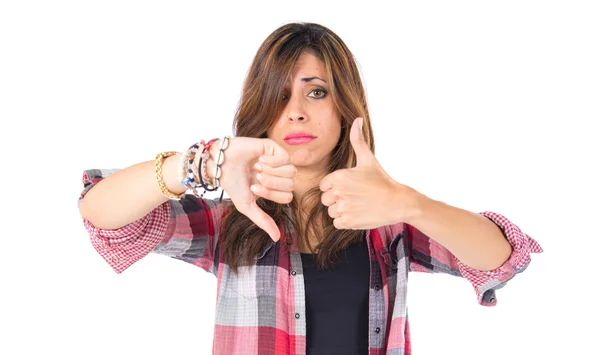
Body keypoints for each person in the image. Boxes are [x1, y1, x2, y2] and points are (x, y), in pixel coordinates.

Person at [78, 22, 543, 355]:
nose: (297, 111)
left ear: (344, 106)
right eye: (280, 95)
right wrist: (205, 163)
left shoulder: (387, 224)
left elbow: (503, 259)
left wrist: (409, 202)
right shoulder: (230, 222)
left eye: (316, 92)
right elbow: (102, 215)